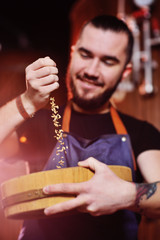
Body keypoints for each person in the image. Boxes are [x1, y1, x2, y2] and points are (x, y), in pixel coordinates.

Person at [0, 15, 160, 240]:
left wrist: (126, 195)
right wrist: (28, 102)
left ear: (125, 71)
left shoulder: (141, 133)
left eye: (108, 61)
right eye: (86, 55)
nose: (92, 70)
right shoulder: (41, 122)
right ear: (73, 54)